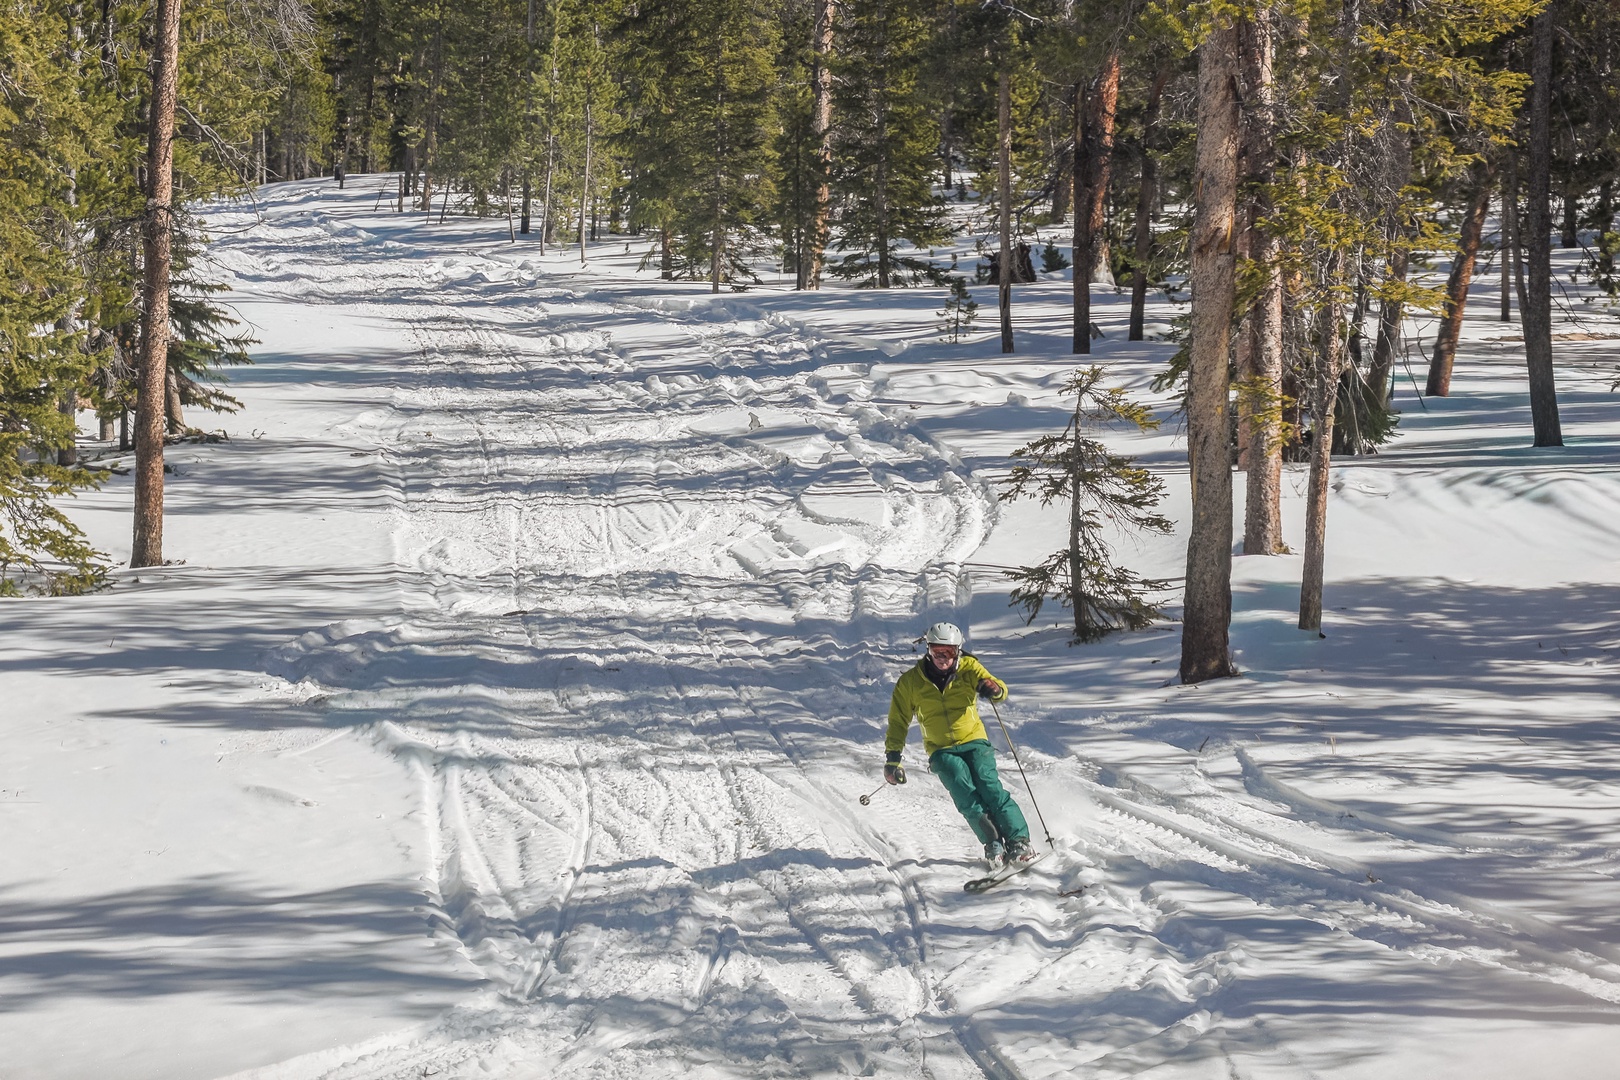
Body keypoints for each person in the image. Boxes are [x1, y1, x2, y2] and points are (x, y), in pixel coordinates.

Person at [884, 621, 1035, 868]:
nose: (943, 658)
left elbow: (1000, 689)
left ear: (958, 650)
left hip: (973, 740)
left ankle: (1019, 841)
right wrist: (892, 758)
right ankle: (993, 843)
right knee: (965, 794)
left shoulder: (969, 668)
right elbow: (898, 721)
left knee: (989, 787)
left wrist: (993, 689)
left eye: (949, 652)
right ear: (928, 650)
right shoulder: (911, 682)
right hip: (941, 749)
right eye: (937, 652)